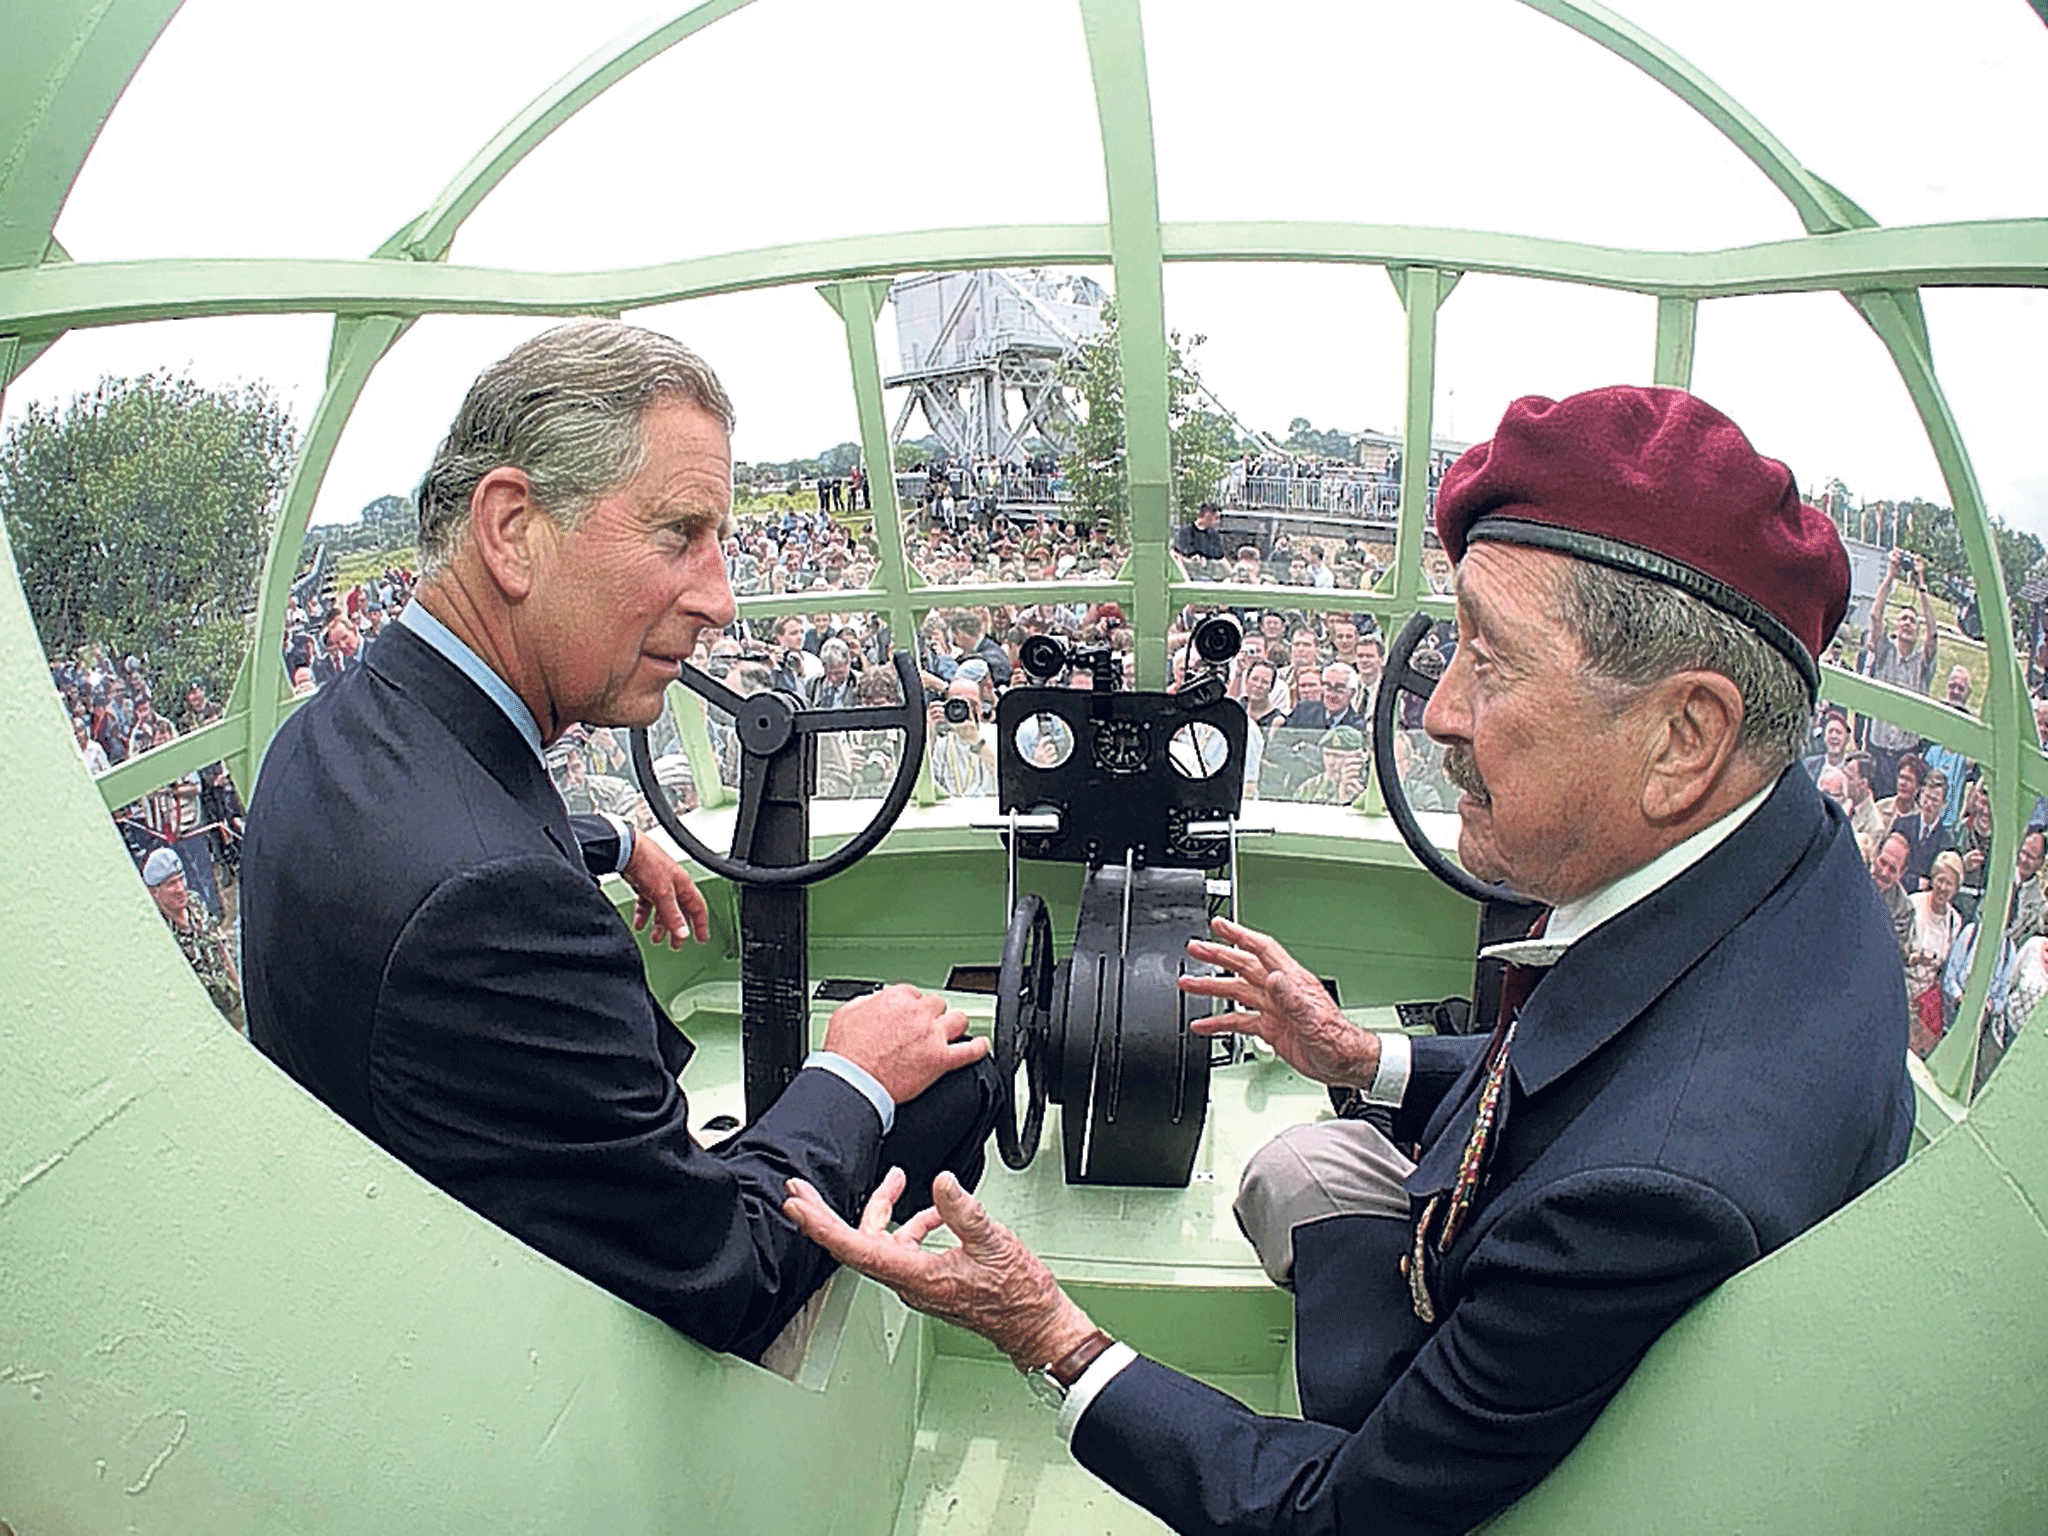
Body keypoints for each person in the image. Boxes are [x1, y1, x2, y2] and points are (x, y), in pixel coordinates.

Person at [784, 385, 1912, 1536]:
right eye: (1455, 645)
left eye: (1494, 661)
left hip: (1463, 1368)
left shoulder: (1643, 1196)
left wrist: (1044, 1329)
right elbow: (1595, 1055)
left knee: (1295, 1182)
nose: (1440, 714)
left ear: (1683, 736)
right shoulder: (1783, 866)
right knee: (1300, 1162)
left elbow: (1337, 1516)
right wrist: (1358, 1054)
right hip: (1512, 1231)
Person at [244, 320, 999, 1363]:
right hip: (546, 1336)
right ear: (510, 529)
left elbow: (472, 808)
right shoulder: (490, 904)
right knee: (956, 1077)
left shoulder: (333, 735)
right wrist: (850, 1076)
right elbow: (727, 1269)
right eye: (677, 534)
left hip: (412, 1238)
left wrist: (605, 838)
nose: (719, 599)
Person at [142, 845, 242, 1033]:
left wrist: (236, 984)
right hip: (205, 1020)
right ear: (154, 892)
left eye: (181, 879)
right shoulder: (159, 930)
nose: (180, 889)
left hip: (231, 1001)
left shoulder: (195, 903)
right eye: (171, 884)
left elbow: (219, 946)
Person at [1862, 547, 1937, 795]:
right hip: (1878, 749)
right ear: (1896, 625)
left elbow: (1933, 634)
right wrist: (1890, 575)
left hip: (1906, 755)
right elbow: (1875, 616)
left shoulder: (1922, 663)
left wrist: (1921, 583)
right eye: (1903, 618)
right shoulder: (1885, 652)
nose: (1907, 623)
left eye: (1912, 620)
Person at [1906, 850, 1966, 1056]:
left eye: (1949, 883)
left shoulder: (1955, 921)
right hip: (1901, 988)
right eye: (1940, 880)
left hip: (1923, 1006)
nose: (1943, 888)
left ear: (1956, 888)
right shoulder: (1913, 904)